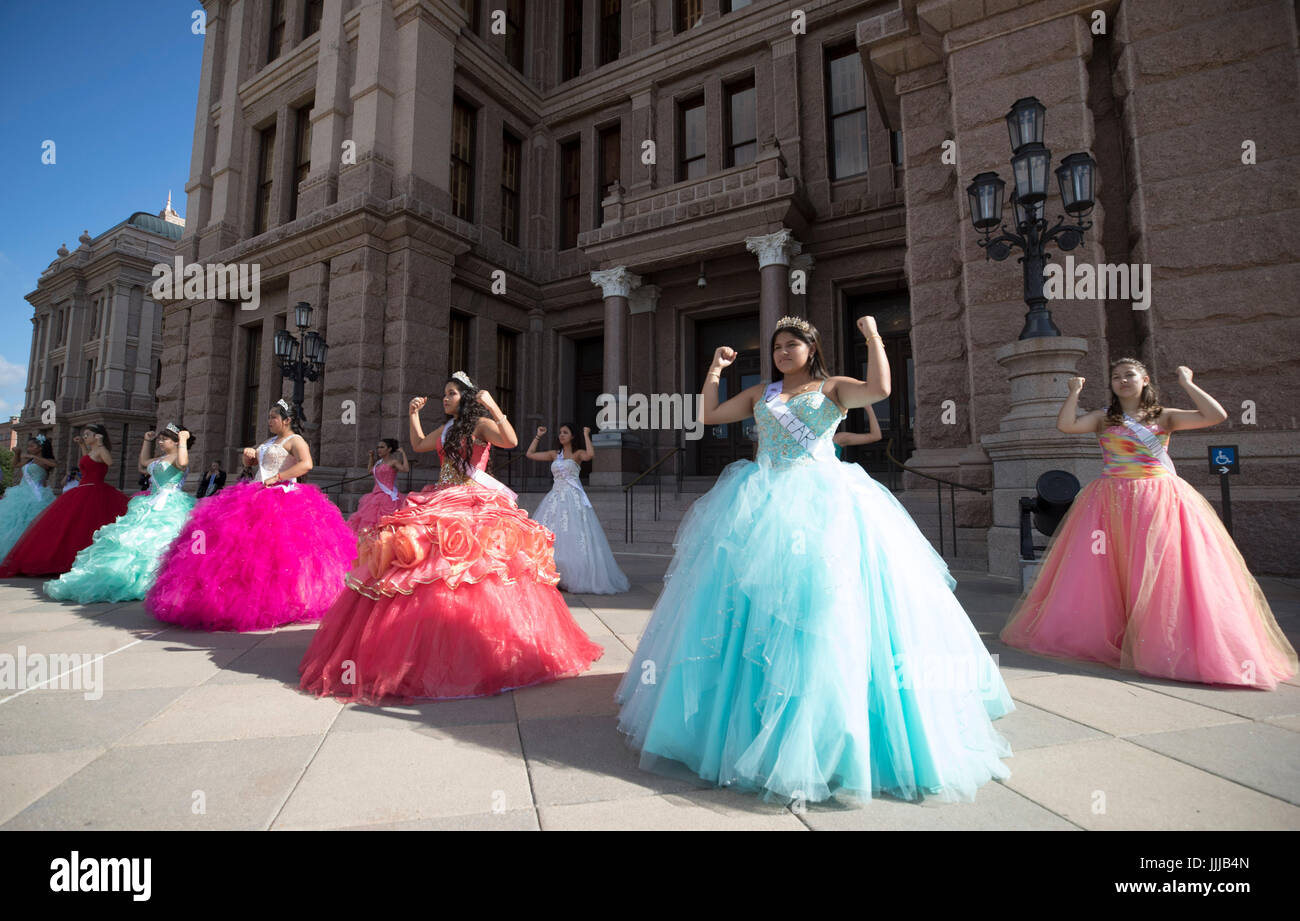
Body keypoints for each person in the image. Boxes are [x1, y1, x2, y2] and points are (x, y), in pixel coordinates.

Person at [615, 316, 1013, 805]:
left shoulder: (833, 388)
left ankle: (831, 735)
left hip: (824, 502)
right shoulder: (763, 393)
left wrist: (871, 336)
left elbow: (882, 389)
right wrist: (715, 370)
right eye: (777, 346)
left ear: (811, 349)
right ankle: (744, 724)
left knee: (824, 610)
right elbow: (713, 417)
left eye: (793, 345)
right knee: (748, 610)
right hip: (760, 500)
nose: (783, 351)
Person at [299, 372, 603, 703]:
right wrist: (413, 414)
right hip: (440, 496)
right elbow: (417, 445)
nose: (445, 399)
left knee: (476, 571)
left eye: (452, 394)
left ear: (467, 398)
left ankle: (488, 653)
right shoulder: (445, 429)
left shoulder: (481, 424)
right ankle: (415, 655)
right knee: (423, 568)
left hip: (474, 500)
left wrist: (493, 406)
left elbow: (511, 440)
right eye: (444, 394)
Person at [1001, 359, 1298, 689]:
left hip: (1157, 498)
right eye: (1116, 377)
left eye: (1129, 375)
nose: (1122, 381)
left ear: (1144, 379)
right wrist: (1073, 393)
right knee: (1111, 572)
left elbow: (1216, 415)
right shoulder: (1103, 417)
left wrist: (1187, 382)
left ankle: (1163, 643)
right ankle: (1118, 636)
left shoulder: (1164, 415)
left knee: (1160, 569)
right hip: (1109, 499)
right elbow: (1067, 426)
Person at [145, 399, 355, 631]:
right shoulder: (271, 440)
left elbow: (306, 465)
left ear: (287, 420)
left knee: (283, 552)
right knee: (240, 548)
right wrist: (249, 456)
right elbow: (254, 461)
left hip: (283, 497)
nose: (269, 421)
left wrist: (278, 477)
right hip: (257, 492)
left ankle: (289, 600)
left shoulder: (296, 440)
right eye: (268, 417)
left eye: (273, 417)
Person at [46, 424, 197, 603]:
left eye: (165, 439)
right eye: (160, 439)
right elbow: (143, 464)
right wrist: (146, 442)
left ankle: (160, 579)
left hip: (170, 505)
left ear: (176, 441)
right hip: (150, 503)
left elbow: (184, 463)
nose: (161, 442)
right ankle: (132, 578)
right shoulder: (162, 458)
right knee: (135, 541)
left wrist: (183, 440)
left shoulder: (178, 458)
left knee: (162, 541)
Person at [0, 424, 128, 577]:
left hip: (95, 490)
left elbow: (109, 462)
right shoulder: (92, 451)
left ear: (97, 436)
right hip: (83, 489)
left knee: (86, 524)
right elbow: (88, 461)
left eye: (88, 435)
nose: (85, 437)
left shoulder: (101, 449)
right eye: (84, 435)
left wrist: (100, 444)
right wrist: (81, 445)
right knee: (73, 525)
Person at [527, 423, 629, 594]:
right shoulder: (555, 454)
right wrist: (538, 436)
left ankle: (572, 577)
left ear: (572, 436)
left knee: (573, 535)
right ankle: (550, 574)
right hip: (554, 499)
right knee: (551, 535)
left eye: (565, 432)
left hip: (572, 499)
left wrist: (586, 434)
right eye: (560, 433)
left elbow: (590, 455)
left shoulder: (577, 454)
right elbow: (530, 454)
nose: (561, 435)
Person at [0, 434, 57, 561]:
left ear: (40, 448)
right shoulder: (28, 460)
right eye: (28, 446)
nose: (29, 448)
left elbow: (53, 464)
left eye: (32, 446)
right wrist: (17, 453)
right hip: (22, 493)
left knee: (32, 523)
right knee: (14, 522)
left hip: (37, 495)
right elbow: (15, 465)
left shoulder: (43, 460)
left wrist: (34, 456)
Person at [346, 438, 409, 535]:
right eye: (378, 447)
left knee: (385, 521)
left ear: (389, 449)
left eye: (382, 447)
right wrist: (371, 457)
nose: (379, 449)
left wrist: (403, 453)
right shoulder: (378, 463)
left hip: (388, 495)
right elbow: (370, 471)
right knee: (370, 521)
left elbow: (405, 469)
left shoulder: (393, 462)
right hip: (375, 494)